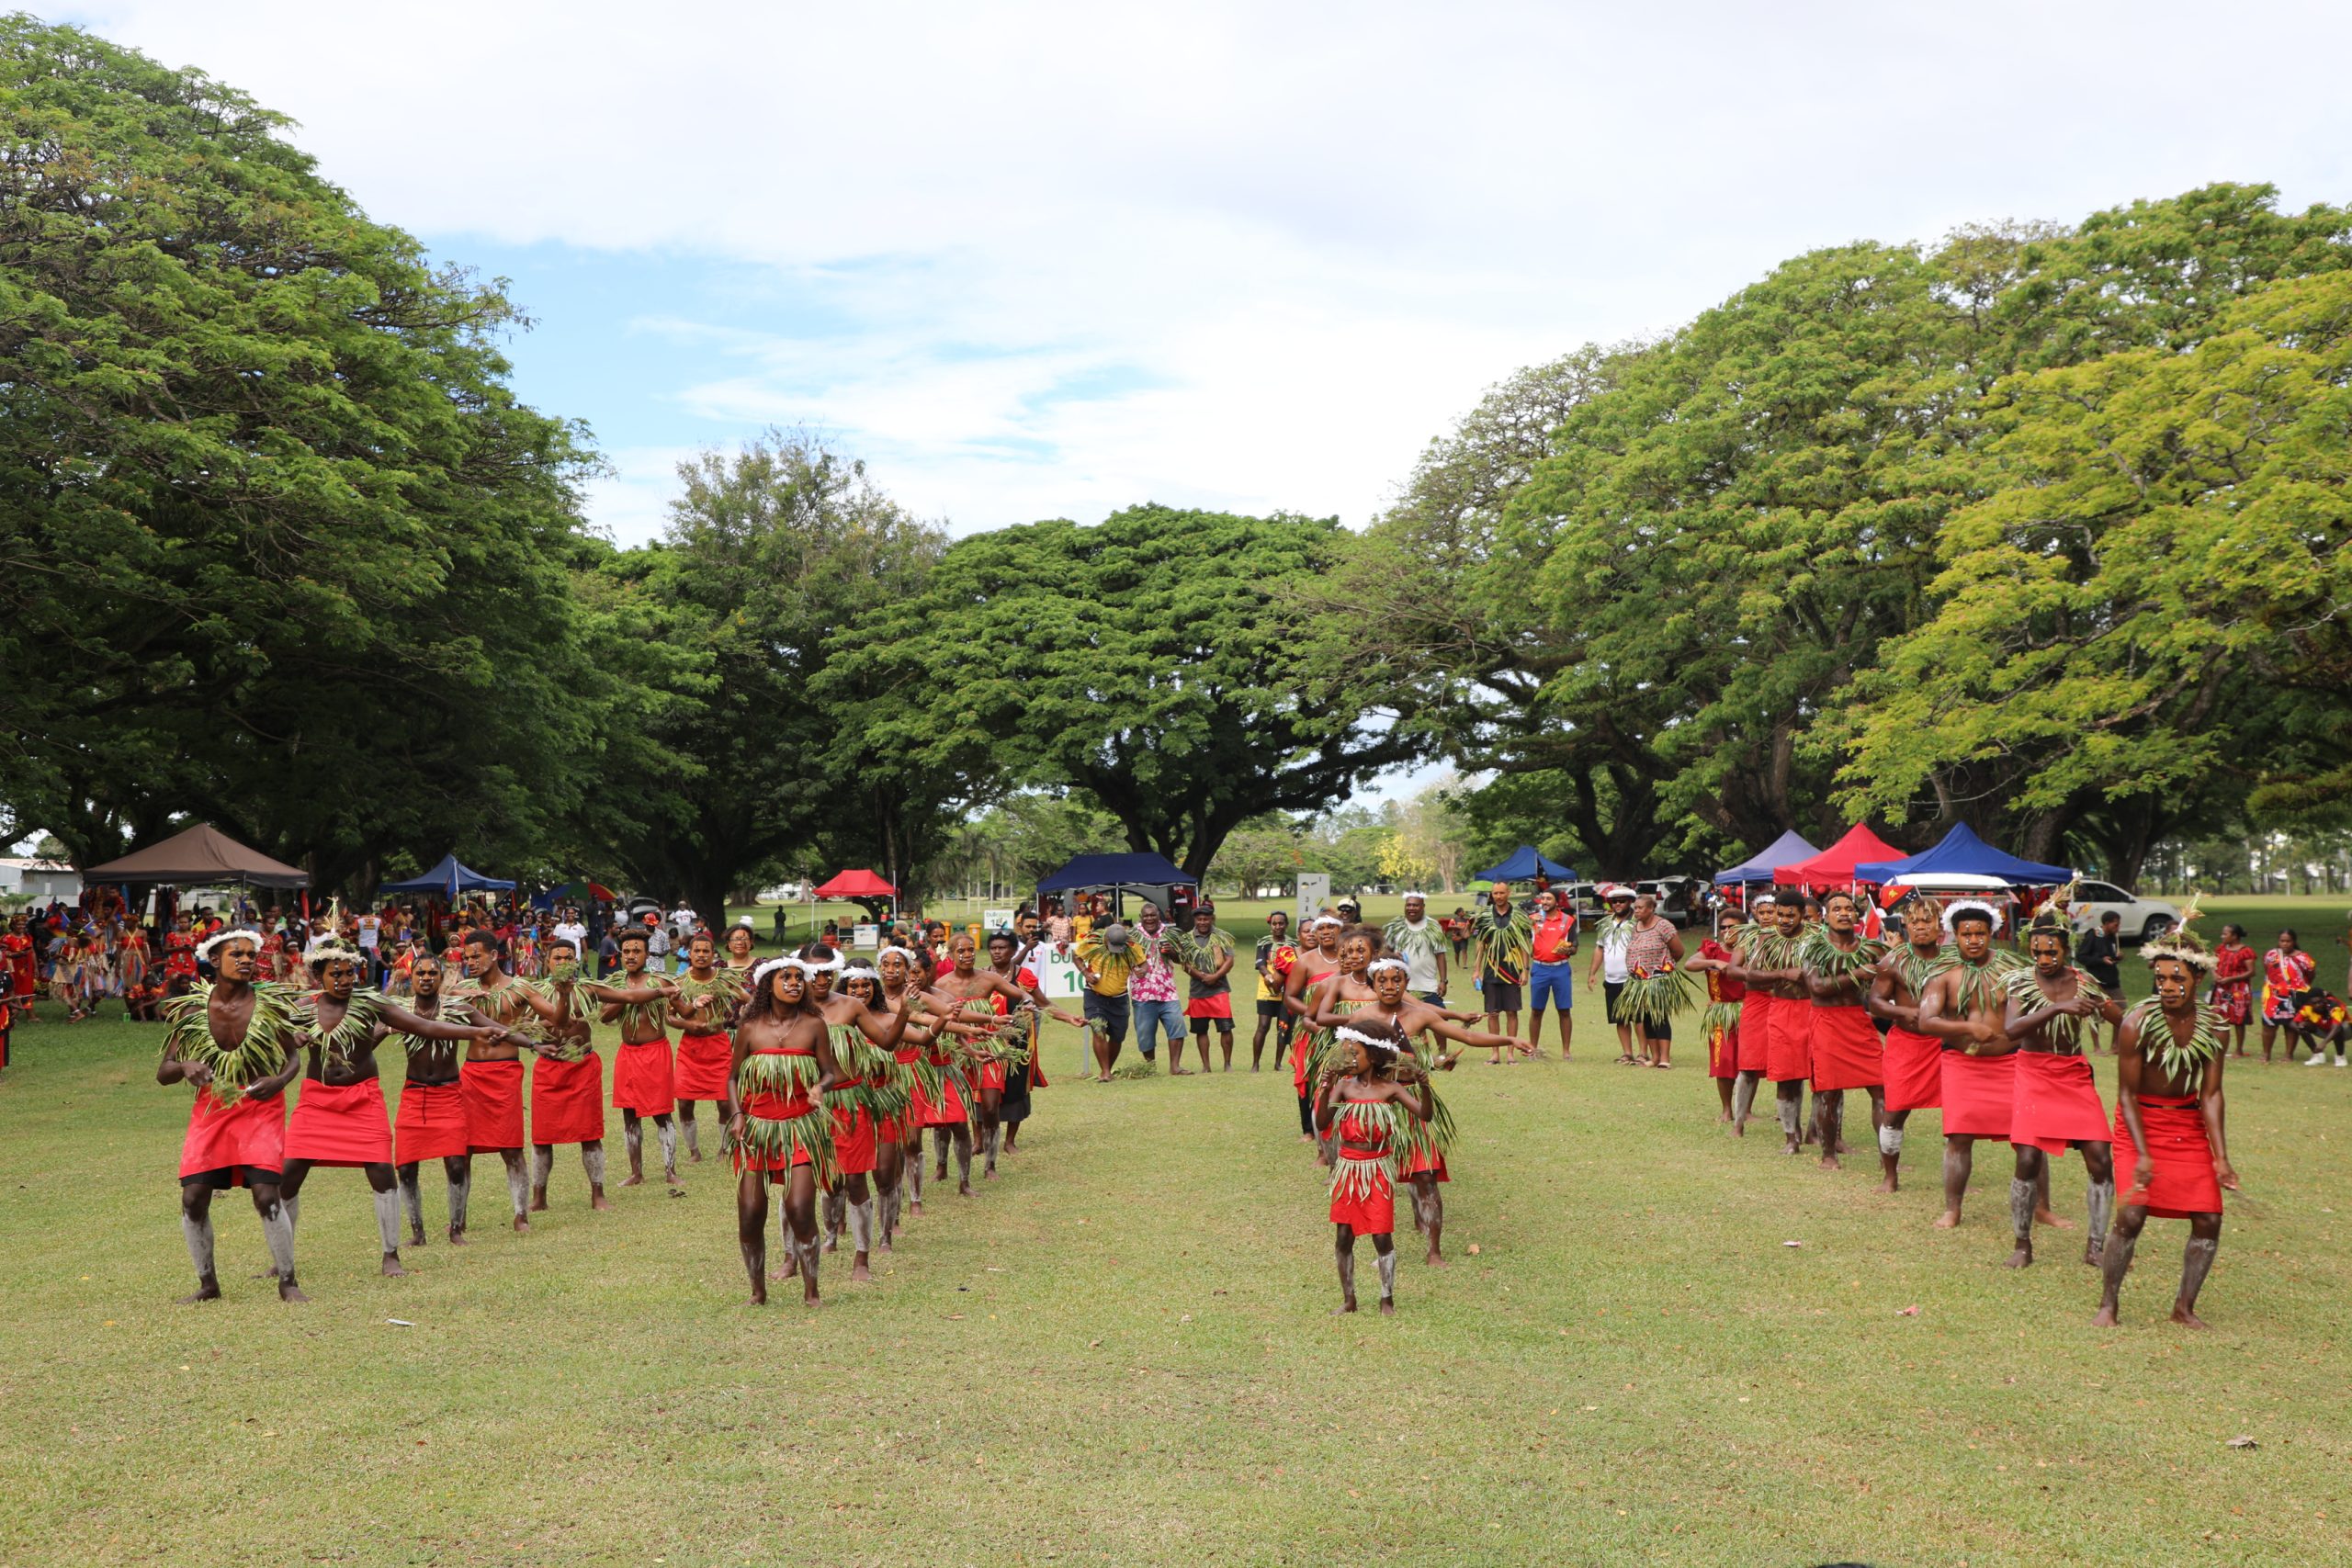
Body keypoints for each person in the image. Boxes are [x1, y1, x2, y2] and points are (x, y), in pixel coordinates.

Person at [281, 937, 511, 1284]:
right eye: (336, 974)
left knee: (382, 1173)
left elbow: (426, 1026)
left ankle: (391, 1254)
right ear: (319, 976)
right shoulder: (302, 1006)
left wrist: (478, 1030)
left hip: (363, 1098)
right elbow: (273, 1036)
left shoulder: (371, 1003)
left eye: (350, 973)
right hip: (316, 1099)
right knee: (288, 1177)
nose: (345, 980)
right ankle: (281, 1256)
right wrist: (292, 1040)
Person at [2098, 923, 2238, 1327]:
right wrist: (2142, 1153)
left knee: (2209, 1216)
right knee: (2132, 1214)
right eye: (2160, 978)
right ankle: (2109, 1303)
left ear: (2198, 977)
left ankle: (2184, 1308)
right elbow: (2126, 1095)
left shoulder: (2215, 1028)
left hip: (2185, 1123)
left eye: (2178, 977)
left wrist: (2222, 1157)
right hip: (2138, 1122)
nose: (2168, 986)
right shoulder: (2136, 1022)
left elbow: (2211, 1095)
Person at [157, 928, 304, 1302]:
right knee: (193, 1198)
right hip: (212, 1109)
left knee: (267, 1195)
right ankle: (208, 1284)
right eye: (235, 954)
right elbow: (165, 1071)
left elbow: (292, 1057)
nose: (245, 960)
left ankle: (288, 1282)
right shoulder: (193, 1011)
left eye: (250, 955)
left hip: (260, 1105)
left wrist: (280, 1080)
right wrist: (187, 1065)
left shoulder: (269, 1005)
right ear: (214, 960)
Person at [1993, 910, 2123, 1268]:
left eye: (2052, 952)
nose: (2045, 960)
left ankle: (2096, 1245)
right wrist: (2057, 1007)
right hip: (2034, 1074)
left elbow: (2119, 1019)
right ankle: (2022, 1244)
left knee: (2100, 1158)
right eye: (2038, 953)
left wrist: (2105, 1007)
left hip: (2073, 1075)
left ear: (2067, 950)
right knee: (2028, 1158)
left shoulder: (2083, 980)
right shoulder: (2021, 983)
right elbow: (2012, 1029)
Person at [729, 956, 846, 1306]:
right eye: (786, 977)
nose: (795, 982)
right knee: (750, 1213)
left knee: (798, 1207)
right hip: (756, 1129)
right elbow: (733, 1077)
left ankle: (812, 1289)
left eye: (799, 977)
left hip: (800, 1128)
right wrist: (737, 1114)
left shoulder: (814, 1025)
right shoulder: (750, 1028)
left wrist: (821, 1086)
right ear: (768, 984)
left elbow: (832, 1071)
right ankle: (758, 1290)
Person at [1313, 1021, 1432, 1315]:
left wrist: (1425, 1088)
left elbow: (1425, 1115)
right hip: (1348, 1170)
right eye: (1348, 1054)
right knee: (1344, 1236)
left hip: (1377, 1170)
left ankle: (1386, 1298)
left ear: (1375, 1055)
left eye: (1356, 1054)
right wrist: (1326, 1088)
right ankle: (1349, 1299)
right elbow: (1322, 1123)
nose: (1350, 1059)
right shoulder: (1343, 1088)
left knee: (1381, 1236)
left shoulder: (1390, 1089)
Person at [581, 928, 683, 1189]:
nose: (631, 955)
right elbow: (604, 1017)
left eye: (637, 951)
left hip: (655, 1052)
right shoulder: (614, 984)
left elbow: (682, 1009)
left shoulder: (660, 982)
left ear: (647, 954)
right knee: (630, 1114)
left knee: (661, 1113)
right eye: (626, 951)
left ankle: (670, 1169)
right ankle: (636, 1172)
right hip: (628, 1054)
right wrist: (626, 996)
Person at [1865, 897, 1952, 1192]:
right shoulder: (1894, 961)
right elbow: (1874, 1001)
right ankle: (1890, 1176)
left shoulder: (1953, 961)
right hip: (1907, 1043)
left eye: (1927, 921)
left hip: (1946, 1045)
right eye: (1914, 922)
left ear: (1939, 926)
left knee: (1957, 1112)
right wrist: (1904, 1012)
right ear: (1906, 925)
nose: (1920, 927)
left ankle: (1954, 1178)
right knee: (1895, 1110)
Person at [1798, 891, 1887, 1174]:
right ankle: (1828, 1154)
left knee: (1882, 1088)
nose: (1844, 912)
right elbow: (1816, 986)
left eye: (1849, 908)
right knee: (1828, 1092)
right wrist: (1856, 975)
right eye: (1837, 908)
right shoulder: (1813, 946)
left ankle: (1888, 1156)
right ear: (1826, 915)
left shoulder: (1870, 948)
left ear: (1856, 915)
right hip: (1826, 1021)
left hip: (1858, 1021)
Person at [667, 931, 745, 1165]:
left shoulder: (724, 979)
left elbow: (748, 998)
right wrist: (691, 1024)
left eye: (705, 951)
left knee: (724, 1101)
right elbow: (669, 1018)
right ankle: (694, 1151)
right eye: (696, 951)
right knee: (684, 1101)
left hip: (718, 1045)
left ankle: (724, 1148)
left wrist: (746, 1015)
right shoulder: (679, 983)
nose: (701, 955)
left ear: (713, 954)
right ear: (688, 954)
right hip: (690, 1048)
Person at [1283, 917, 1347, 1142]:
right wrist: (1313, 1014)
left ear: (1341, 930)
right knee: (1310, 1076)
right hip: (1312, 1029)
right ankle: (1309, 1129)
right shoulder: (1306, 960)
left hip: (1345, 1027)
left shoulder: (1351, 958)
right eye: (1321, 928)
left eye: (1331, 927)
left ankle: (1343, 1122)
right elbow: (1289, 997)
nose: (1326, 932)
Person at [1686, 908, 1747, 1122]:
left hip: (1746, 1011)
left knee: (1747, 1062)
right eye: (1723, 927)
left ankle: (1745, 1110)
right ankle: (1727, 1109)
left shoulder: (1751, 950)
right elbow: (1689, 963)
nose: (1727, 931)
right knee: (1724, 1059)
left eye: (1733, 927)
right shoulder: (1711, 950)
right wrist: (1713, 962)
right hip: (1721, 1012)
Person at [1619, 891, 1686, 1067]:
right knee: (1645, 1018)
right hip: (1639, 982)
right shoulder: (1635, 927)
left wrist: (1663, 968)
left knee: (1660, 1018)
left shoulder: (1663, 926)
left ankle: (1665, 1058)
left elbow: (1678, 950)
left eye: (1641, 908)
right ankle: (1654, 1057)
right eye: (1636, 908)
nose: (1637, 911)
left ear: (1651, 909)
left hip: (1658, 980)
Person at [1469, 882, 1531, 1056]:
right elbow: (1480, 944)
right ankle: (1495, 1052)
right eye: (1495, 893)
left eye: (1502, 893)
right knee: (1492, 1013)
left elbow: (1524, 945)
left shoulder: (1518, 916)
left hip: (1512, 970)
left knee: (1512, 1012)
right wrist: (1476, 970)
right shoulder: (1486, 916)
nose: (1498, 896)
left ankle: (1510, 1052)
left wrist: (1525, 970)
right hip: (1491, 970)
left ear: (1508, 893)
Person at [1069, 922, 1136, 1081]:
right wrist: (1086, 973)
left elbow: (1142, 964)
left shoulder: (1132, 946)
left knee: (1118, 1037)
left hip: (1119, 999)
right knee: (1098, 1030)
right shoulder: (1092, 942)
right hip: (1095, 996)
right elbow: (1076, 955)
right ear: (1106, 939)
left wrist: (1141, 970)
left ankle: (1108, 1069)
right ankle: (1105, 1072)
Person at [1125, 903, 1186, 1073]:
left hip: (1167, 991)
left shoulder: (1169, 933)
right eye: (1146, 916)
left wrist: (1172, 952)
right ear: (1141, 917)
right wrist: (1134, 968)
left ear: (1159, 916)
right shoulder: (1132, 936)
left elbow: (1181, 959)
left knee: (1177, 1026)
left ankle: (1175, 1066)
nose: (1150, 919)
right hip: (1142, 993)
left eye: (1153, 915)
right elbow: (1122, 957)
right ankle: (1150, 1066)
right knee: (1145, 1034)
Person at [1175, 903, 1237, 1070]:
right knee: (1201, 1030)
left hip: (1220, 990)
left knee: (1225, 1027)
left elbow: (1229, 960)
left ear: (1212, 919)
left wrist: (1215, 976)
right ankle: (1206, 1065)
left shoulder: (1221, 936)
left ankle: (1227, 1063)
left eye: (1206, 919)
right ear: (1194, 920)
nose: (1203, 922)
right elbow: (1185, 963)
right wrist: (1203, 978)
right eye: (1199, 919)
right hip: (1197, 992)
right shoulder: (1187, 939)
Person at [1522, 889, 1575, 1060]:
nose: (1545, 901)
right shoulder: (1533, 920)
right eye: (1543, 898)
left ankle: (1566, 1051)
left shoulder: (1568, 920)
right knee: (1536, 1010)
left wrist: (1568, 949)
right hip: (1540, 968)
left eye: (1549, 899)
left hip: (1561, 968)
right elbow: (1524, 944)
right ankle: (1533, 1049)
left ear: (1557, 901)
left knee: (1564, 1010)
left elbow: (1575, 946)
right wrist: (1525, 969)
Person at [1590, 886, 1639, 1065]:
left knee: (1638, 1018)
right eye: (1614, 901)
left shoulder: (1637, 923)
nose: (1618, 904)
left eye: (1622, 901)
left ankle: (1643, 1053)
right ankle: (1627, 1053)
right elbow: (1600, 948)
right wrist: (1592, 972)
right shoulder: (1606, 923)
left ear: (1631, 902)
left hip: (1633, 978)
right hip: (1612, 978)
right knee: (1620, 1018)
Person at [2259, 930, 2319, 1063]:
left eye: (2288, 941)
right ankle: (2266, 1054)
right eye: (2282, 941)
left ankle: (2288, 1055)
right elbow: (2267, 970)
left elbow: (2310, 975)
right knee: (2269, 1025)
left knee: (2291, 1025)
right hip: (2272, 995)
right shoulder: (2271, 955)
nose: (2285, 944)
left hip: (2294, 996)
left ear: (2294, 942)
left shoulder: (2304, 958)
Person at [1250, 910, 1297, 1071]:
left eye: (1281, 923)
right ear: (1270, 925)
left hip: (1287, 992)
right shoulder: (1263, 943)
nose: (1278, 926)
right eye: (1274, 923)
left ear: (1286, 925)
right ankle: (1255, 1063)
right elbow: (1261, 964)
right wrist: (1270, 978)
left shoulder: (1293, 945)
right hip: (1266, 991)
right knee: (1263, 1026)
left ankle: (1278, 1063)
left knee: (1283, 1027)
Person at [2210, 924, 2255, 1057]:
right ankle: (2219, 1047)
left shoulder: (2245, 951)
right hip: (2222, 989)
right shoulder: (2221, 948)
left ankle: (2239, 1049)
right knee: (2220, 1017)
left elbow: (2251, 971)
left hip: (2238, 989)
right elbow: (2212, 962)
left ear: (2234, 936)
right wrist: (2215, 974)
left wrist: (2231, 978)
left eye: (2225, 934)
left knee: (2238, 1019)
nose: (2222, 936)